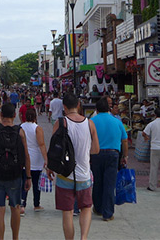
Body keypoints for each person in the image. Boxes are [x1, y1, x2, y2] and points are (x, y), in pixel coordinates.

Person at [47, 92, 99, 240]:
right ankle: (84, 237)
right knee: (86, 208)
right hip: (84, 174)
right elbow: (96, 149)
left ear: (64, 107)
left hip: (65, 174)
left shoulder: (61, 123)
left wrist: (50, 167)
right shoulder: (89, 123)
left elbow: (53, 150)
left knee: (67, 212)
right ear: (78, 105)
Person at [0, 102, 32, 240]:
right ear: (15, 115)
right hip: (15, 174)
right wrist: (28, 176)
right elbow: (26, 156)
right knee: (15, 207)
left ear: (1, 114)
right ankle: (15, 238)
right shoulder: (19, 131)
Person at [91, 96, 128, 221]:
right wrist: (125, 156)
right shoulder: (117, 122)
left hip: (96, 154)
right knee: (109, 184)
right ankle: (108, 213)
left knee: (97, 182)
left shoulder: (92, 121)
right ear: (109, 108)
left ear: (96, 109)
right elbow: (124, 140)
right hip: (113, 154)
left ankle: (98, 207)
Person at [20, 106, 48, 214]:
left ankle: (22, 204)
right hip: (36, 159)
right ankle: (36, 204)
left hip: (24, 158)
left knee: (24, 182)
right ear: (35, 117)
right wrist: (46, 159)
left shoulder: (21, 127)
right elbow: (41, 144)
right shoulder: (37, 128)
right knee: (36, 183)